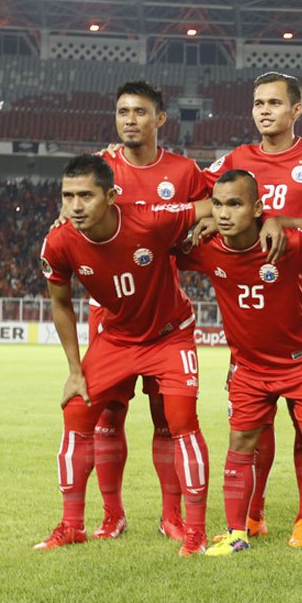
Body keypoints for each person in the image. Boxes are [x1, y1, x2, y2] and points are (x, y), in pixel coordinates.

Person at [37, 155, 222, 555]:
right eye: (68, 196)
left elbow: (211, 203)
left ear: (111, 196)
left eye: (86, 195)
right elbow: (61, 304)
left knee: (180, 422)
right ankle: (72, 525)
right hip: (116, 339)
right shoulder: (59, 242)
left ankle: (194, 529)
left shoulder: (151, 218)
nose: (76, 206)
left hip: (169, 337)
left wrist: (211, 220)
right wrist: (74, 370)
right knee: (75, 413)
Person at [201, 71, 302, 547]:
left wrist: (291, 222)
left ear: (296, 110)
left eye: (274, 103)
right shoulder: (236, 161)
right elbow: (198, 196)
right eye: (258, 103)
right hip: (248, 306)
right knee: (251, 419)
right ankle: (253, 515)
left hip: (298, 292)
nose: (264, 110)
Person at [175, 170, 302, 560]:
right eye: (217, 204)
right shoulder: (205, 247)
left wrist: (285, 221)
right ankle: (237, 533)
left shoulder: (288, 244)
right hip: (250, 369)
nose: (223, 213)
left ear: (256, 208)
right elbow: (151, 235)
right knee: (240, 443)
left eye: (234, 204)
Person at [90, 80, 211, 542]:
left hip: (164, 319)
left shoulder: (183, 170)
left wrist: (194, 226)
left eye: (140, 112)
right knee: (107, 418)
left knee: (169, 421)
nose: (129, 120)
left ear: (160, 119)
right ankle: (111, 515)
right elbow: (72, 215)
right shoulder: (102, 168)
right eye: (123, 111)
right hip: (112, 318)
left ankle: (171, 517)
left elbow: (219, 205)